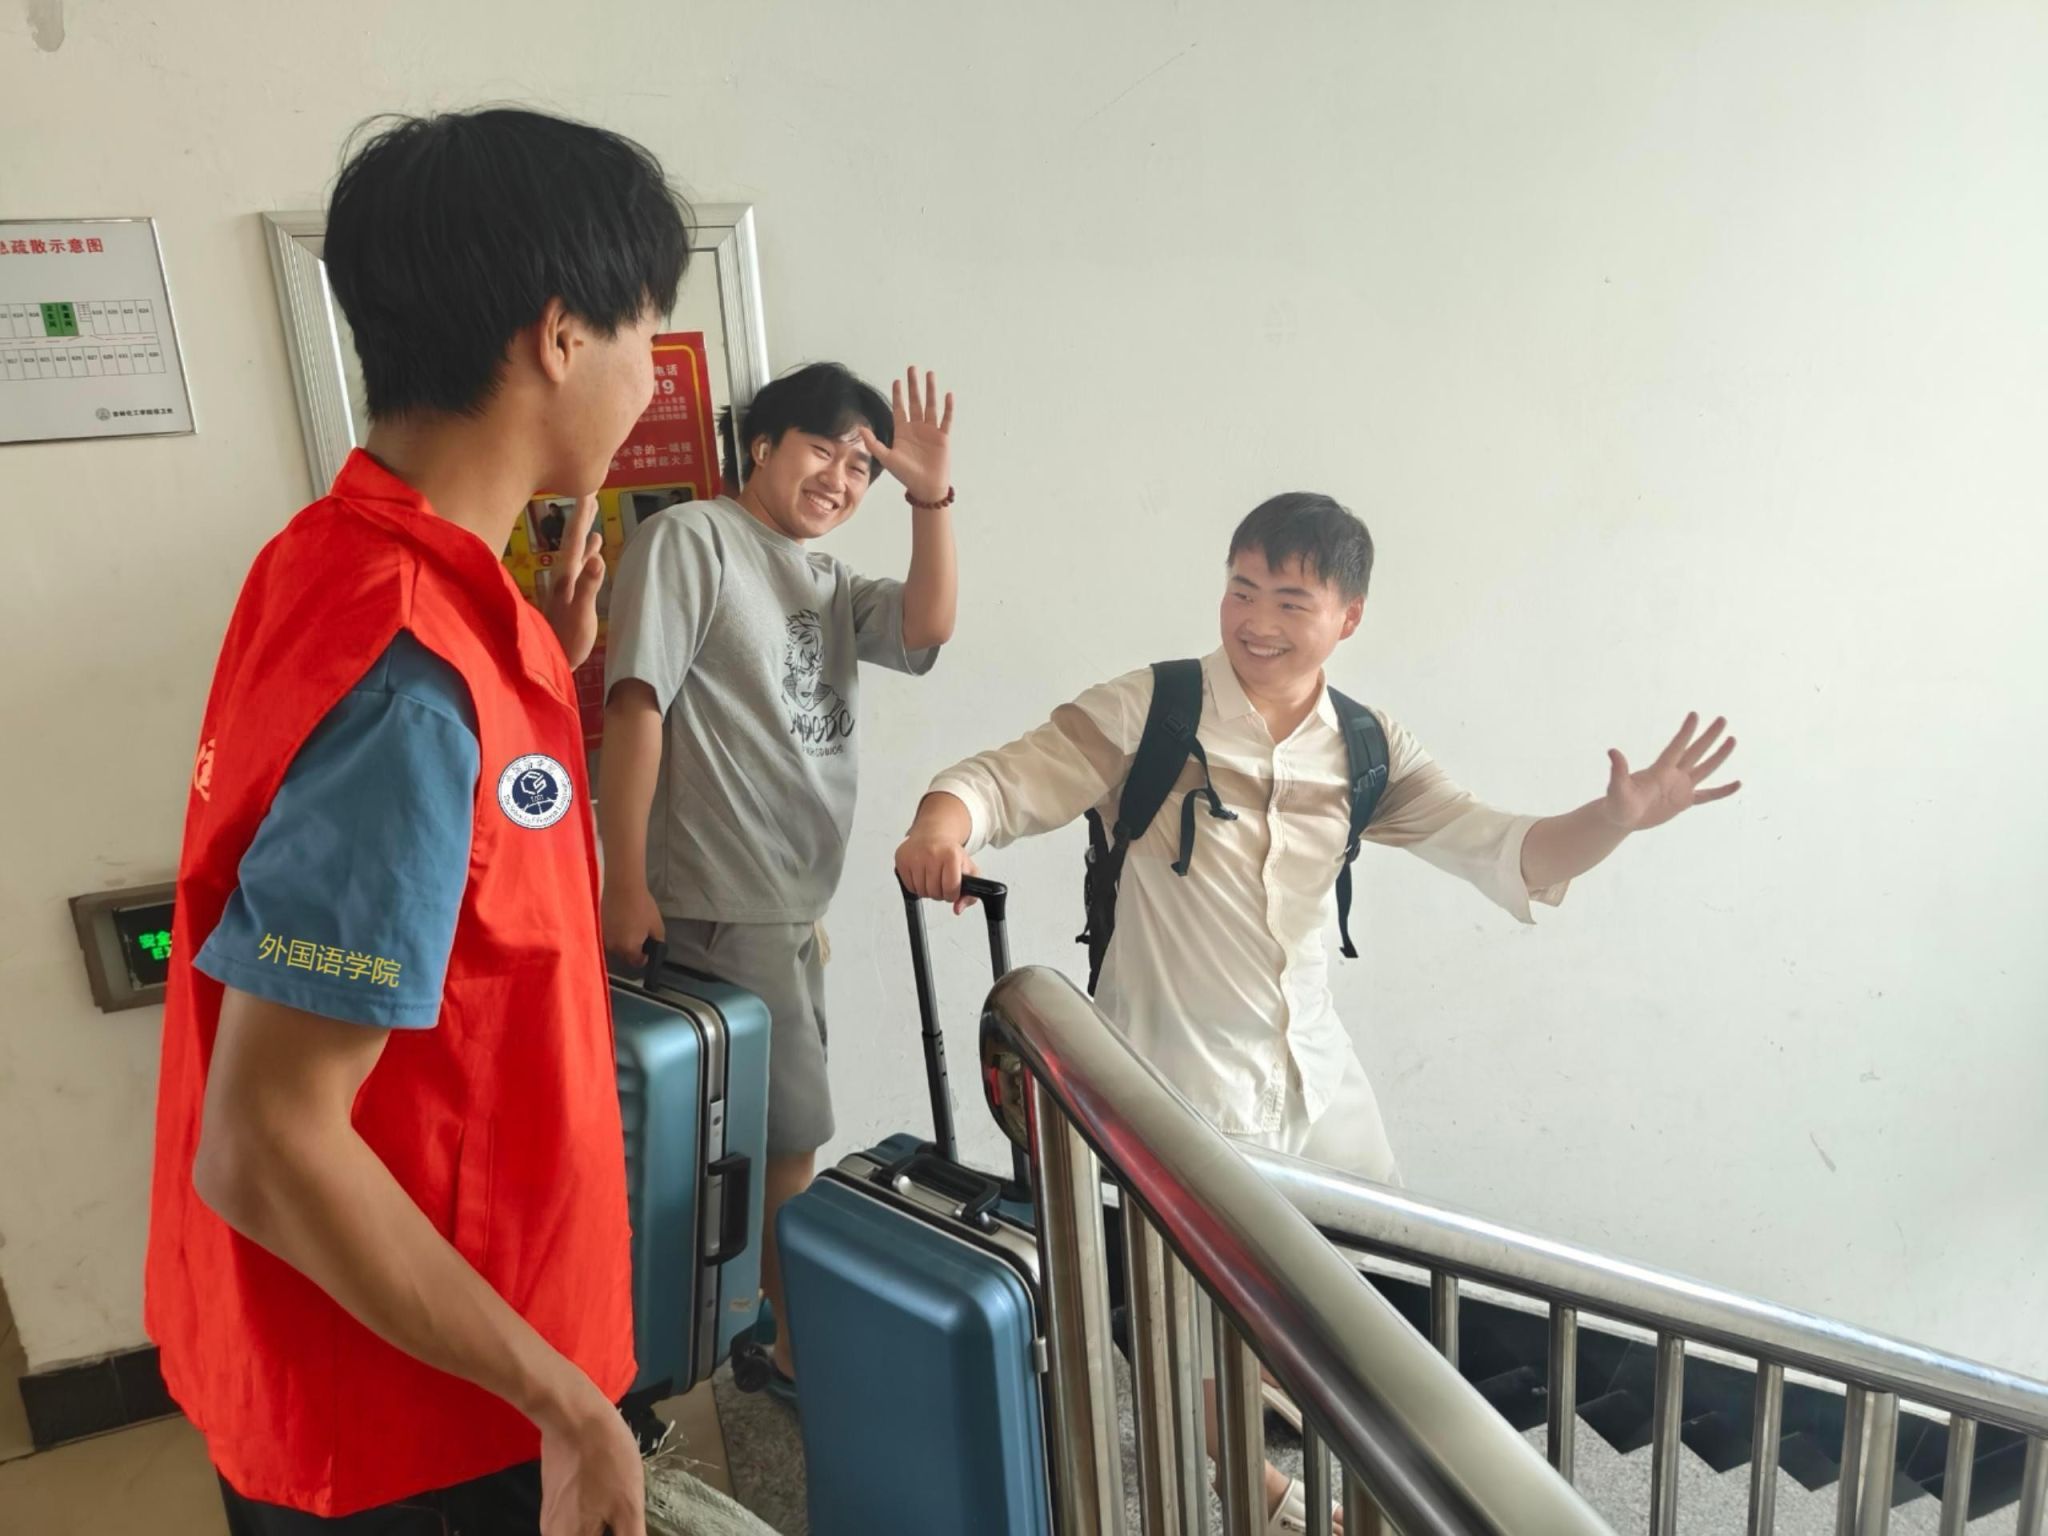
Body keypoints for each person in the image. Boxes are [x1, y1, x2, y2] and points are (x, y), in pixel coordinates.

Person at [895, 491, 1739, 1534]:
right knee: (1185, 1320)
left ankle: (1358, 1489)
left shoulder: (1366, 747)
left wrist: (1611, 820)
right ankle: (1266, 1498)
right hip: (1173, 1082)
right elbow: (1000, 780)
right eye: (1240, 589)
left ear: (1348, 617)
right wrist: (942, 826)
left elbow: (1504, 850)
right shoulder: (1152, 710)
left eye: (1290, 601)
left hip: (1318, 1091)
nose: (1256, 620)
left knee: (1372, 1313)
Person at [145, 107, 691, 1535]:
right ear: (559, 336)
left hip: (410, 1358)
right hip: (426, 1426)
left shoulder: (343, 562)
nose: (650, 371)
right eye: (644, 329)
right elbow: (268, 1141)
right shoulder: (414, 680)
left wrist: (540, 660)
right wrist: (567, 1407)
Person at [598, 361, 959, 1403]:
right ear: (761, 445)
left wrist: (930, 498)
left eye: (861, 469)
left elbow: (928, 627)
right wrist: (624, 880)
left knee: (767, 1135)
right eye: (822, 450)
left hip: (788, 904)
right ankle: (796, 1349)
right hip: (720, 896)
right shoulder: (693, 540)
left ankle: (767, 1325)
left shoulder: (827, 581)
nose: (840, 479)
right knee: (787, 1140)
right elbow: (635, 706)